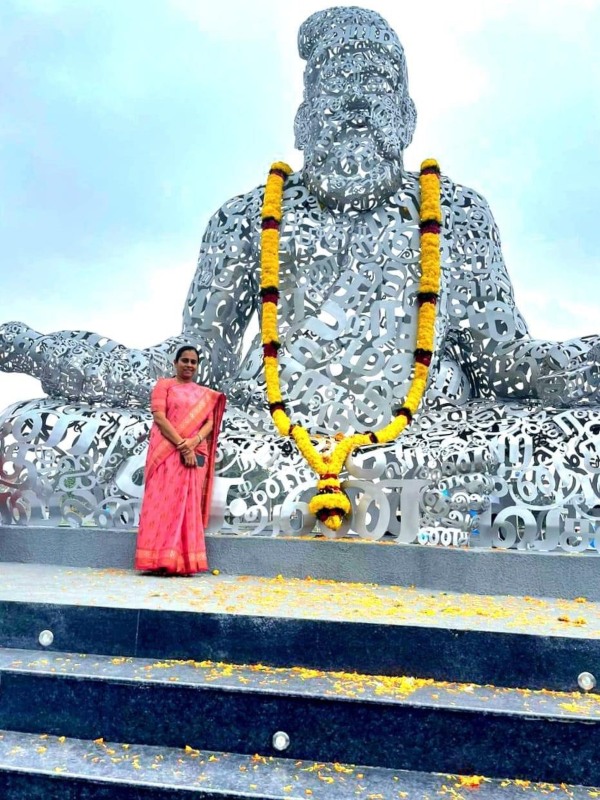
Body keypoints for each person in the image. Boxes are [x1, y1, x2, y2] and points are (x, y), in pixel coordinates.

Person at [0, 6, 598, 539]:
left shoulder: (458, 215)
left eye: (377, 84)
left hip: (429, 441)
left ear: (408, 114)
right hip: (265, 442)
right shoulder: (245, 218)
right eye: (339, 85)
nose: (358, 103)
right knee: (39, 428)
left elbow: (512, 367)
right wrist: (34, 348)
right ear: (304, 115)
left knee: (571, 444)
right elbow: (188, 367)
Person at [134, 346, 225, 575]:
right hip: (165, 451)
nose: (189, 365)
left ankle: (181, 562)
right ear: (175, 362)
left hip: (193, 455)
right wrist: (182, 446)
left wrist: (192, 443)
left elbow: (210, 423)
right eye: (184, 360)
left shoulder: (204, 394)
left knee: (185, 504)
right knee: (161, 502)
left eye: (193, 362)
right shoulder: (164, 385)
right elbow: (159, 418)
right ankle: (157, 560)